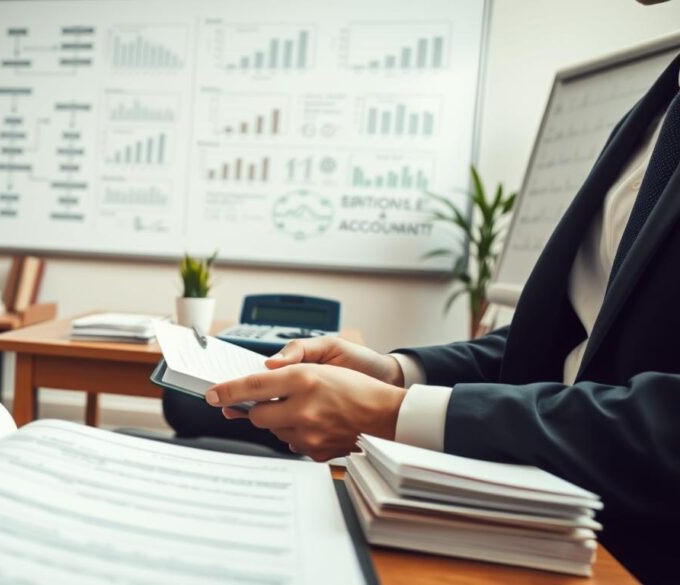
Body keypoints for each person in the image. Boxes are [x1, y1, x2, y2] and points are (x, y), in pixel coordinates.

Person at [182, 10, 680, 583]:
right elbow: (574, 348)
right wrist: (399, 373)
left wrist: (395, 414)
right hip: (553, 518)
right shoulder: (657, 105)